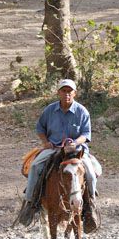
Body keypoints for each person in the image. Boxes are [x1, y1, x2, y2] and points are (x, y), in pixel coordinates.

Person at [25, 79, 100, 208]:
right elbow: (40, 128)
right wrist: (46, 142)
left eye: (70, 91)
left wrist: (75, 143)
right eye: (64, 91)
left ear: (75, 93)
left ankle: (91, 205)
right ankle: (30, 202)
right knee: (35, 167)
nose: (67, 94)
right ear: (58, 92)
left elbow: (86, 134)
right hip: (54, 148)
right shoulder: (49, 110)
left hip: (77, 151)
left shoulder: (82, 112)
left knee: (91, 174)